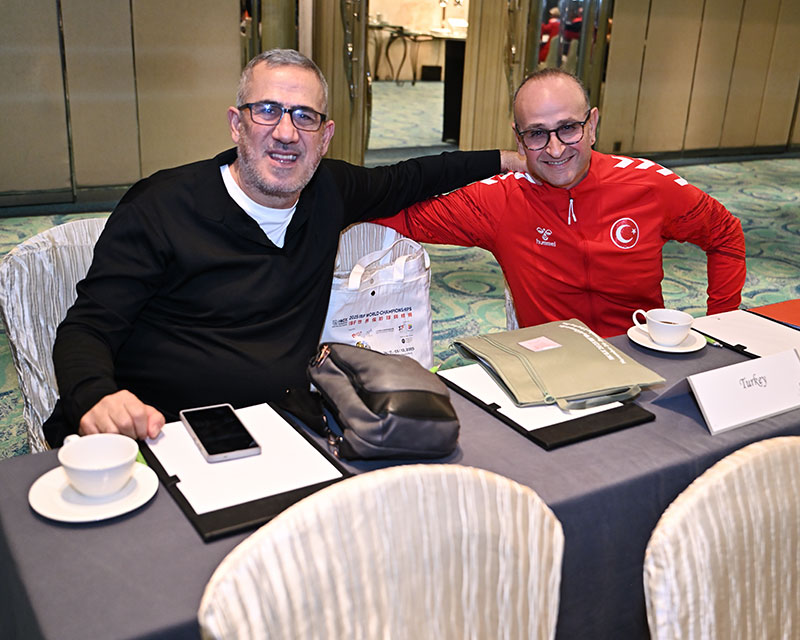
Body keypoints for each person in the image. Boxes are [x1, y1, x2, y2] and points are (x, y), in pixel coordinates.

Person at [44, 49, 523, 446]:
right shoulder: (161, 207)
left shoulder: (328, 190)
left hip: (284, 431)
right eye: (268, 110)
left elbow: (413, 177)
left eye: (304, 116)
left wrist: (508, 159)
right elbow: (89, 326)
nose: (287, 133)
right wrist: (96, 397)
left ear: (325, 137)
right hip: (163, 433)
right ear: (236, 124)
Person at [379, 68, 746, 339]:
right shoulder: (499, 200)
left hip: (642, 356)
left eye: (569, 128)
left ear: (593, 124)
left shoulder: (648, 185)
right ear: (519, 140)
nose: (555, 150)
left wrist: (722, 325)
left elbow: (725, 234)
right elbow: (397, 215)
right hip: (551, 367)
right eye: (537, 134)